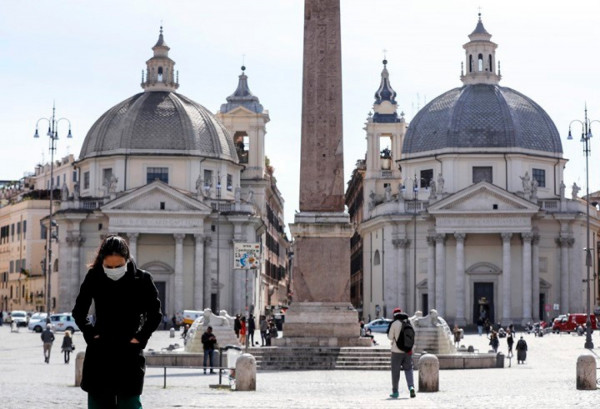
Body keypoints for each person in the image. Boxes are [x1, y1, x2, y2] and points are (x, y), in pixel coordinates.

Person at [72, 234, 162, 409]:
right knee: (98, 404)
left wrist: (140, 338)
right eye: (109, 266)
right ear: (102, 262)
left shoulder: (143, 279)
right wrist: (91, 334)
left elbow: (155, 314)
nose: (114, 269)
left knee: (130, 404)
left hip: (129, 352)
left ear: (127, 260)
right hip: (101, 351)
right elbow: (79, 311)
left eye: (119, 266)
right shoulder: (94, 276)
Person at [387, 307, 416, 399]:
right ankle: (411, 387)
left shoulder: (394, 323)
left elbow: (390, 337)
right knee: (408, 370)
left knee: (395, 372)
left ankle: (395, 392)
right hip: (408, 351)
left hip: (396, 351)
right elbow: (413, 335)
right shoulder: (409, 322)